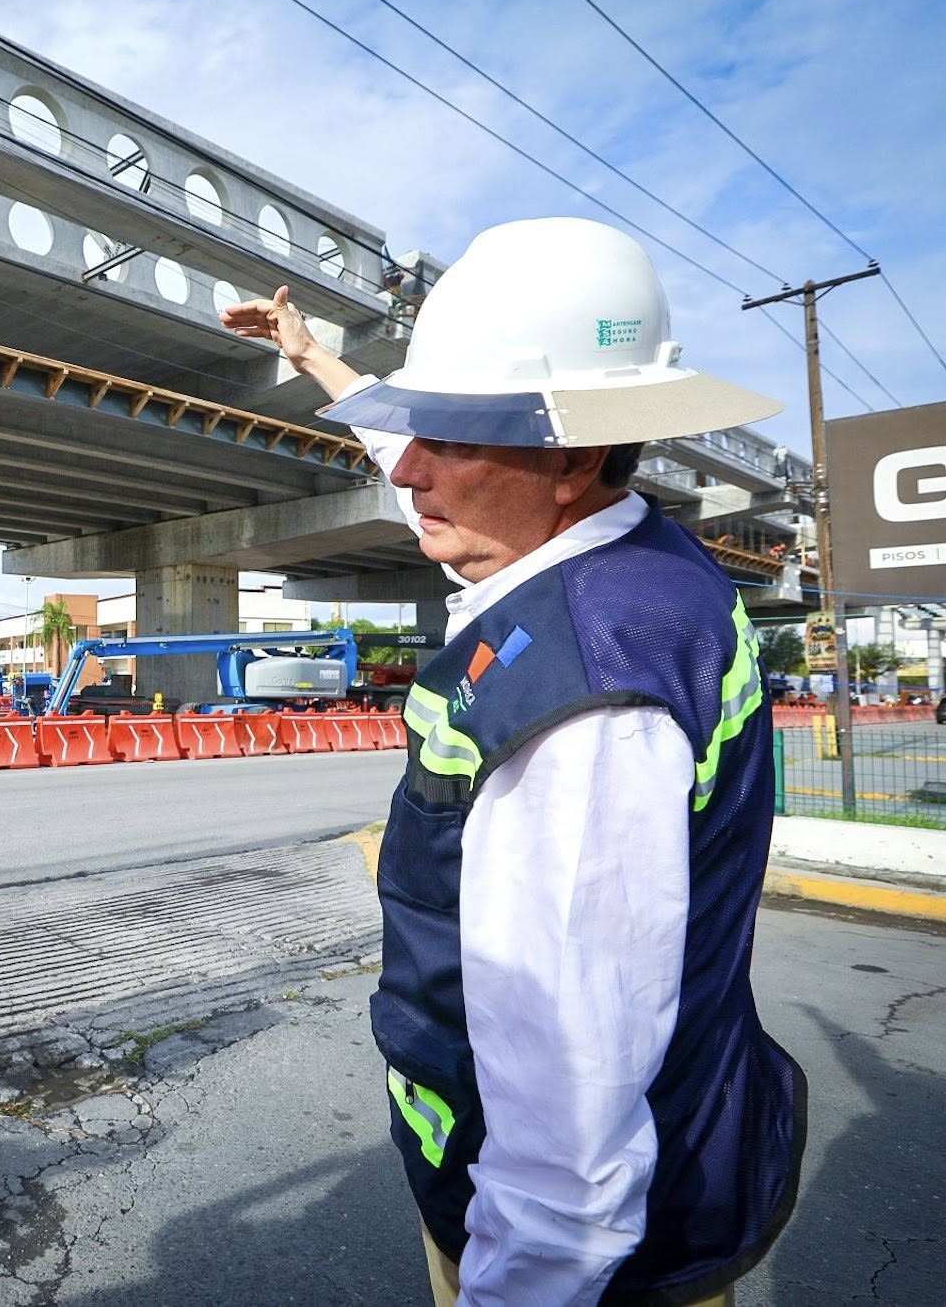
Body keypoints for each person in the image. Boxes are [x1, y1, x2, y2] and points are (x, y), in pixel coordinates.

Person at [223, 217, 806, 1306]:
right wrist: (314, 357)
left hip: (575, 1253)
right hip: (642, 1176)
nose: (409, 467)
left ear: (574, 453)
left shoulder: (588, 694)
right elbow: (426, 483)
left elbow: (570, 1120)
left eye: (449, 434)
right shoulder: (622, 555)